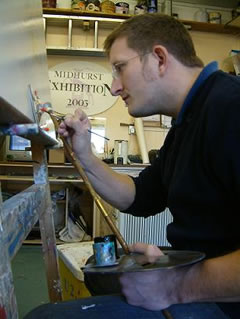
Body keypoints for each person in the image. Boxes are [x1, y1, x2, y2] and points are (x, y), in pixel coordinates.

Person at [25, 13, 240, 319]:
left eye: (120, 68)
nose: (114, 87)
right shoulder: (187, 121)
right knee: (97, 273)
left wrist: (174, 286)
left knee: (44, 318)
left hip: (224, 303)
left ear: (159, 59)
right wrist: (85, 155)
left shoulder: (231, 107)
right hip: (202, 282)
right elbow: (139, 197)